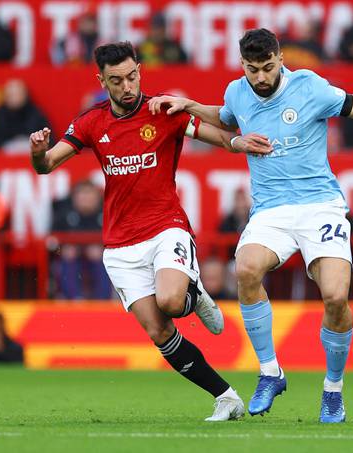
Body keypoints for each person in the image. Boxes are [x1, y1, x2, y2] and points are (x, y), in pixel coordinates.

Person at [148, 28, 353, 423]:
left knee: (336, 297)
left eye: (268, 68)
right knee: (247, 269)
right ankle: (270, 372)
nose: (262, 78)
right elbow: (226, 117)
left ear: (281, 59)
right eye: (253, 70)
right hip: (271, 209)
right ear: (243, 66)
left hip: (320, 206)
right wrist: (189, 105)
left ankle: (333, 390)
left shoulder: (311, 89)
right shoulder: (238, 91)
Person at [29, 42, 270, 421]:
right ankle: (226, 397)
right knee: (160, 332)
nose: (127, 86)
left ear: (140, 70)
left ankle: (194, 295)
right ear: (102, 81)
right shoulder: (92, 122)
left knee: (172, 302)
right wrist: (38, 152)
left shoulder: (163, 110)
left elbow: (219, 135)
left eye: (132, 76)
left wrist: (241, 143)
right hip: (120, 245)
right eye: (117, 80)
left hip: (164, 227)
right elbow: (46, 166)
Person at [51, 180, 110, 300]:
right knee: (68, 258)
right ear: (75, 197)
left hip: (99, 259)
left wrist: (103, 250)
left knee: (103, 260)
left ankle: (103, 299)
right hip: (71, 260)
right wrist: (61, 250)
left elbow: (118, 241)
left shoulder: (107, 214)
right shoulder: (64, 214)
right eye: (82, 195)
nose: (86, 199)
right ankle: (73, 298)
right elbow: (52, 243)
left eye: (89, 195)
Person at [0, 79, 50, 152]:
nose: (14, 98)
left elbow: (48, 143)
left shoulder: (36, 115)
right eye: (11, 95)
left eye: (18, 94)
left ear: (25, 95)